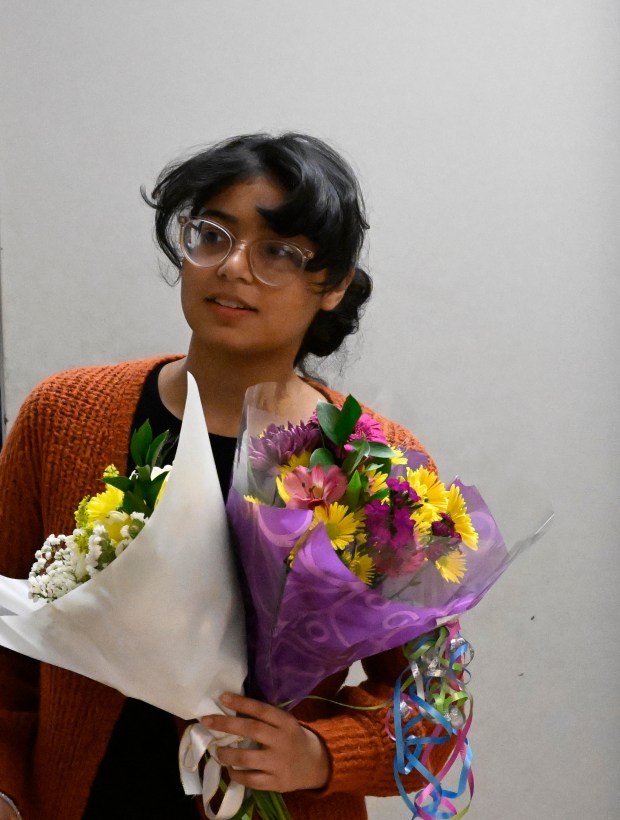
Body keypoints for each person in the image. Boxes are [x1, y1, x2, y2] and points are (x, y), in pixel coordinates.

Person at [0, 133, 454, 819]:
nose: (234, 267)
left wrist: (322, 752)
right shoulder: (65, 416)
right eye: (211, 235)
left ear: (331, 284)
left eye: (278, 251)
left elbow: (435, 702)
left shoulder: (371, 463)